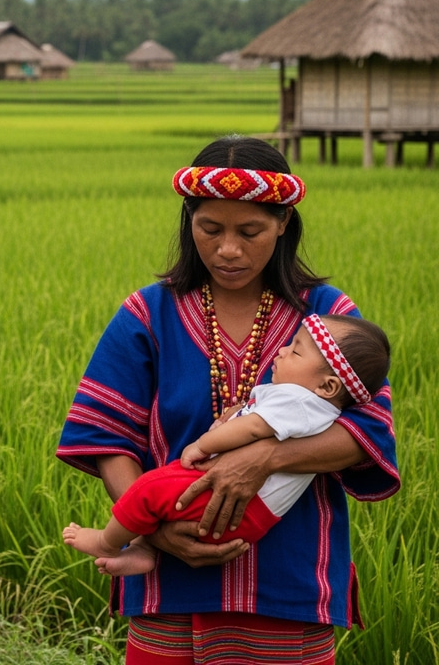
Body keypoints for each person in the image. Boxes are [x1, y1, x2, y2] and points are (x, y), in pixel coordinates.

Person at [57, 135, 399, 665]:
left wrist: (265, 457)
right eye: (209, 229)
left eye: (251, 231)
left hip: (287, 588)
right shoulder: (149, 314)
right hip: (169, 586)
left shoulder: (328, 317)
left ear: (283, 223)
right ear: (188, 219)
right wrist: (157, 530)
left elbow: (370, 433)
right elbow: (107, 436)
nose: (228, 249)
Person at [63, 314, 390, 577]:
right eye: (211, 228)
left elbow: (253, 427)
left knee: (149, 490)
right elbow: (104, 425)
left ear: (329, 384)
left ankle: (107, 542)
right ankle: (146, 548)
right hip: (249, 514)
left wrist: (203, 445)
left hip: (238, 510)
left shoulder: (300, 399)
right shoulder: (147, 311)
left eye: (296, 350)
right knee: (159, 497)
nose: (282, 351)